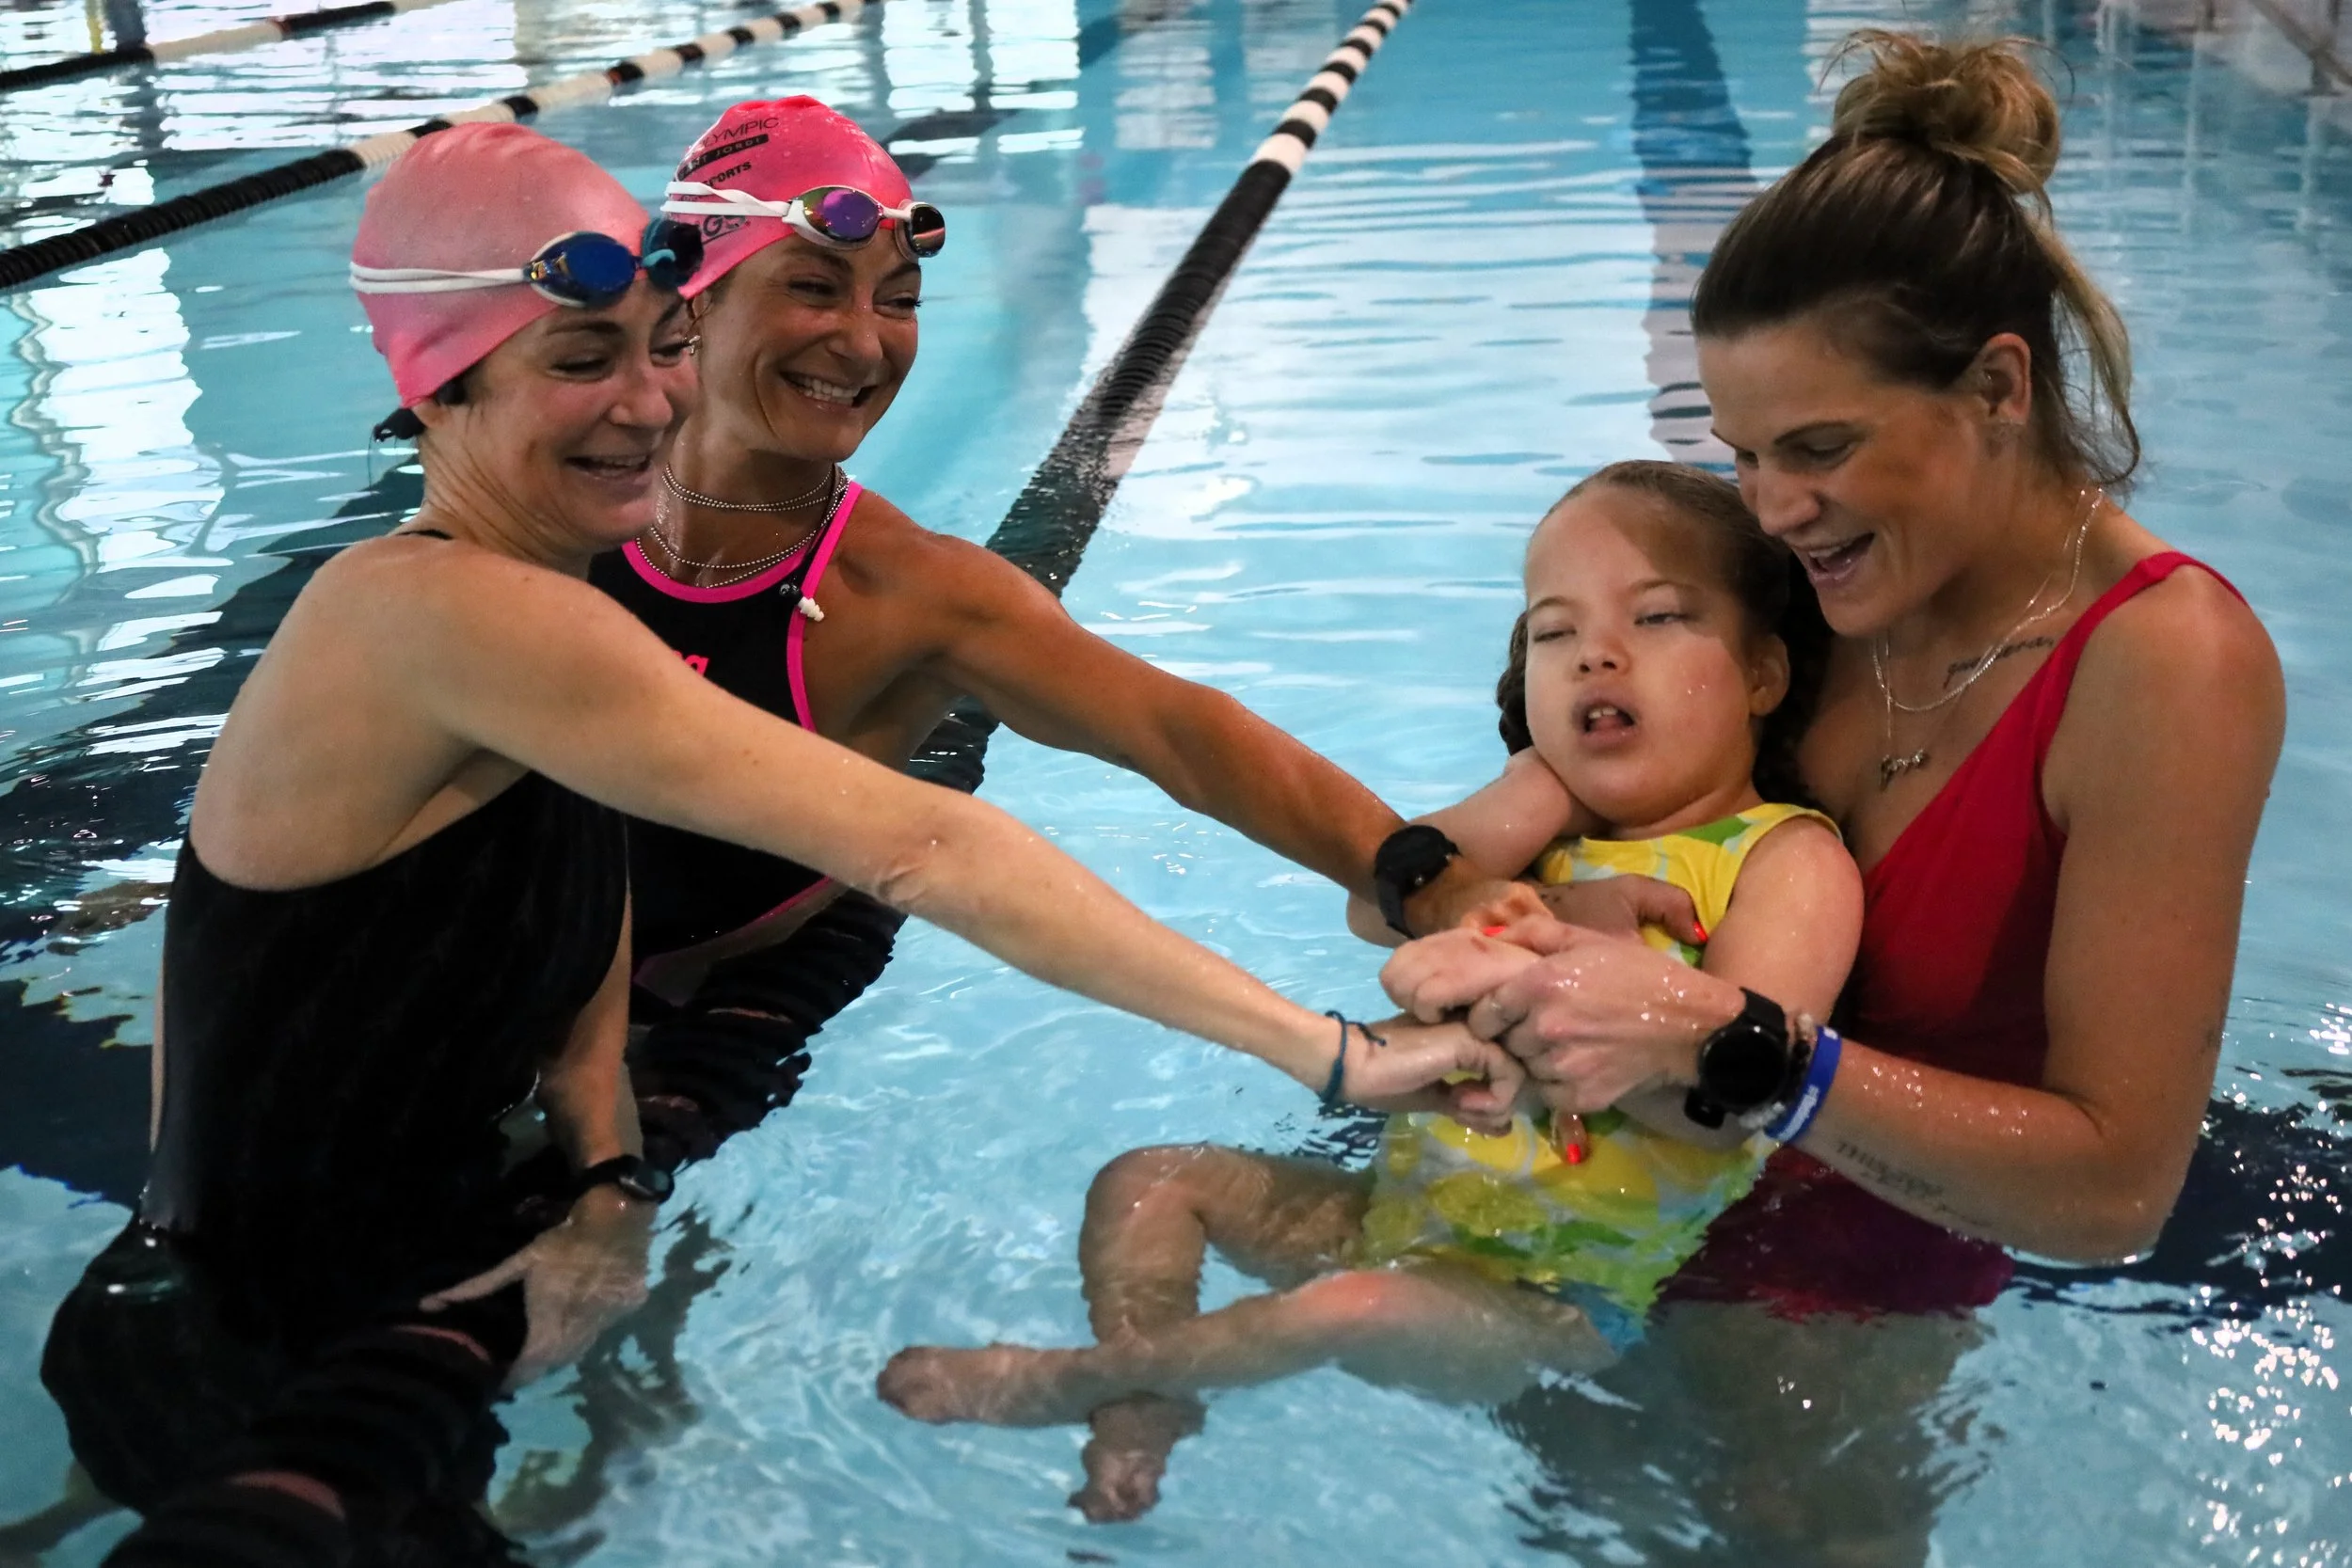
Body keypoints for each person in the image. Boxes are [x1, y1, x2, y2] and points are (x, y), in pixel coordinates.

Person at [37, 122, 1519, 1568]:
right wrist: (1324, 1049)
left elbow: (567, 901)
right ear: (444, 392)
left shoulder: (563, 577)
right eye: (581, 358)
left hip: (389, 1249)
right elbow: (928, 846)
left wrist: (608, 1178)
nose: (645, 400)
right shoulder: (468, 605)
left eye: (654, 346)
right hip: (249, 1331)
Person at [1377, 31, 2284, 1558]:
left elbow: (2117, 1188)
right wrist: (1500, 898)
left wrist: (1738, 1047)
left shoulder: (2165, 664)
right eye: (1741, 454)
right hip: (1583, 1211)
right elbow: (1512, 809)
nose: (1774, 510)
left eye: (1819, 448)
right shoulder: (1820, 585)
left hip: (1830, 1324)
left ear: (1999, 387)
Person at [590, 97, 1600, 1172]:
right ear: (687, 296)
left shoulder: (910, 594)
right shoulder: (560, 509)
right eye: (813, 287)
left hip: (719, 1004)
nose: (865, 340)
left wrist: (1429, 879)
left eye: (899, 300)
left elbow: (1178, 731)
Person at [877, 462, 1866, 1523]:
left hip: (1551, 1296)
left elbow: (1733, 1110)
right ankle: (1146, 1389)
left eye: (1658, 616)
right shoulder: (1545, 839)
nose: (1597, 653)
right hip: (1394, 1215)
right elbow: (1379, 898)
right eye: (1550, 632)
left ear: (1764, 673)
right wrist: (1532, 793)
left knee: (1348, 1305)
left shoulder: (1786, 861)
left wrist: (1545, 1005)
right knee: (1148, 1178)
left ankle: (1069, 1380)